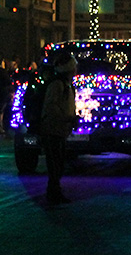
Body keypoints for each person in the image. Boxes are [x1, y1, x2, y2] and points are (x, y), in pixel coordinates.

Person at [41, 51, 77, 204]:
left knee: (58, 163)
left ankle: (55, 192)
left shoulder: (66, 85)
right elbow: (51, 107)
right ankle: (53, 193)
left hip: (60, 129)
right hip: (53, 129)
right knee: (55, 164)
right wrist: (66, 118)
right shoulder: (57, 85)